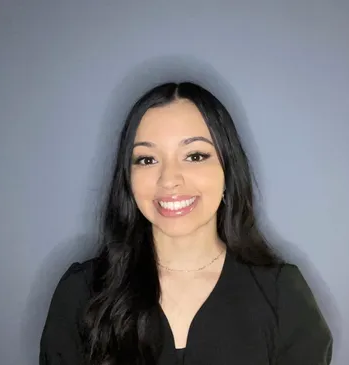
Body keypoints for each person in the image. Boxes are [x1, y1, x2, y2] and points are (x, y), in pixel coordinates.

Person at [39, 82, 333, 365]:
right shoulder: (81, 294)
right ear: (127, 179)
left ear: (228, 171)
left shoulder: (282, 297)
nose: (169, 179)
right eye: (147, 159)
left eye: (194, 156)